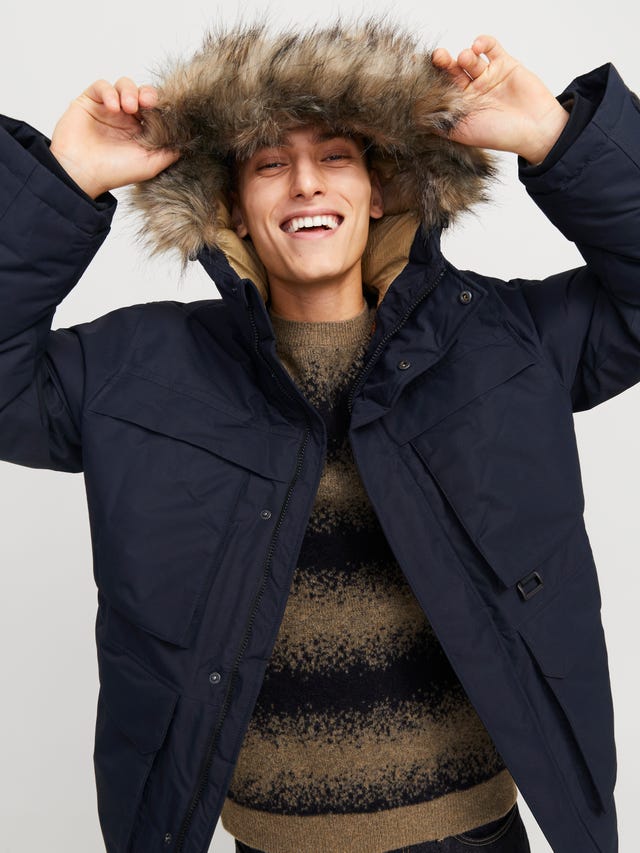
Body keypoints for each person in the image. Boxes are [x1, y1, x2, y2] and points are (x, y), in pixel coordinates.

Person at [0, 19, 637, 853]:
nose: (304, 183)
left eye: (335, 156)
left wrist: (555, 135)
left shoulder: (504, 340)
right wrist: (62, 178)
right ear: (231, 207)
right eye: (269, 163)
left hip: (473, 836)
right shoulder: (140, 370)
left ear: (379, 191)